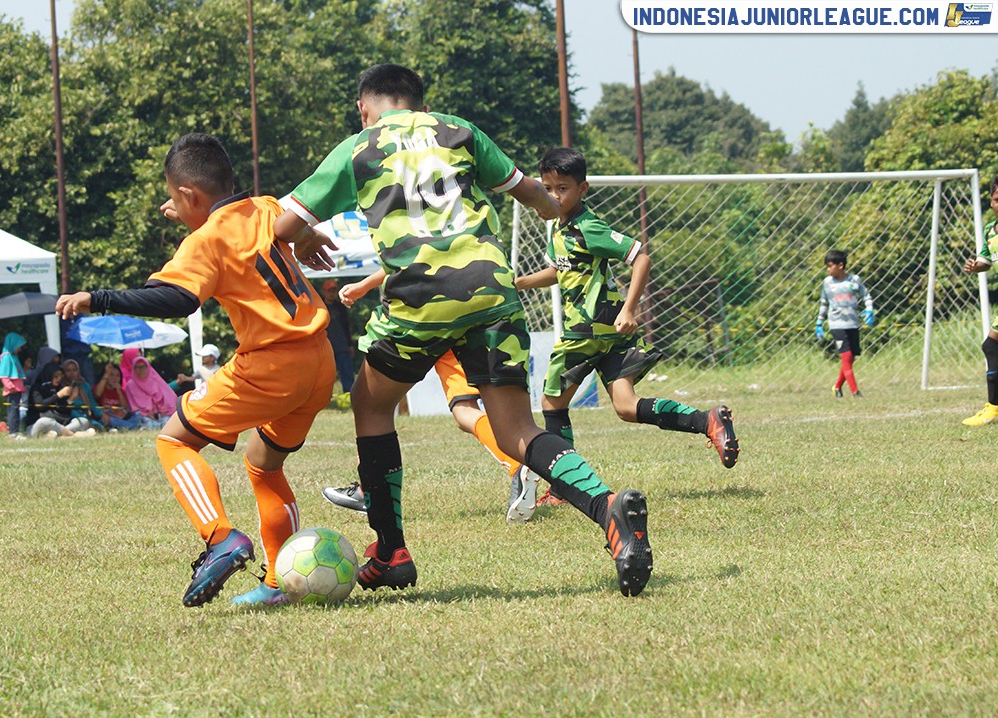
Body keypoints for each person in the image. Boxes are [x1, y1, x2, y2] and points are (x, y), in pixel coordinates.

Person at [272, 63, 653, 597]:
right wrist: (548, 206)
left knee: (372, 405)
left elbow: (280, 227)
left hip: (418, 297)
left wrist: (307, 236)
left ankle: (391, 551)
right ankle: (606, 507)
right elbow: (539, 200)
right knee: (517, 429)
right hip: (493, 292)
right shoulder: (461, 130)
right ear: (419, 102)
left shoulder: (357, 147)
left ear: (366, 106)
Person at [57, 132, 335, 608]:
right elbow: (261, 233)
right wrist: (193, 216)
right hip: (320, 360)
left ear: (189, 195)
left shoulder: (204, 239)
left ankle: (220, 538)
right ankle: (277, 584)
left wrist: (97, 298)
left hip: (271, 364)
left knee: (174, 439)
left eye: (173, 197)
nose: (171, 205)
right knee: (263, 463)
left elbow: (176, 297)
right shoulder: (265, 207)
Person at [515, 148, 740, 508]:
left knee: (551, 403)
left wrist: (630, 308)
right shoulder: (560, 229)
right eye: (548, 188)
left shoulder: (588, 226)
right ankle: (707, 420)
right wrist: (525, 282)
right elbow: (563, 269)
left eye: (563, 188)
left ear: (583, 189)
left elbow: (641, 257)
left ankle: (561, 487)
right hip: (610, 333)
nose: (554, 196)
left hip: (588, 330)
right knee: (626, 406)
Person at [319, 269, 536, 523]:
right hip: (465, 306)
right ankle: (516, 461)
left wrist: (364, 284)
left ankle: (368, 491)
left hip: (419, 312)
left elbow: (405, 258)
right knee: (463, 408)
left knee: (370, 402)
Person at [961, 175, 998, 425]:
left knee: (991, 345)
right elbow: (988, 260)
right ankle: (994, 409)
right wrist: (976, 266)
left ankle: (994, 409)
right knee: (991, 346)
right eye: (997, 199)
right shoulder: (990, 230)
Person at [815, 248, 875, 398]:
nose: (828, 270)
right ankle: (855, 392)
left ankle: (837, 386)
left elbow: (866, 295)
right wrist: (819, 323)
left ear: (840, 265)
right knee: (846, 356)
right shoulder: (827, 283)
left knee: (851, 357)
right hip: (837, 325)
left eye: (830, 266)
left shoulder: (854, 280)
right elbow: (824, 303)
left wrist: (869, 310)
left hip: (853, 324)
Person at [26, 364, 95, 438]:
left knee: (83, 421)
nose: (58, 379)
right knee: (45, 421)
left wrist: (70, 399)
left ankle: (59, 435)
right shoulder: (37, 388)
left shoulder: (59, 387)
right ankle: (73, 435)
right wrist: (58, 395)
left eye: (60, 377)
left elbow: (64, 412)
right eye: (56, 377)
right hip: (37, 425)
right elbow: (39, 406)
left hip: (59, 424)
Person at [122, 350, 179, 424]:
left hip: (162, 414)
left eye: (142, 367)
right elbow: (135, 407)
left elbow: (167, 400)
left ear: (148, 367)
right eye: (136, 367)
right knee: (147, 422)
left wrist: (162, 413)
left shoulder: (156, 381)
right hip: (143, 416)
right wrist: (148, 415)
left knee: (167, 422)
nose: (139, 370)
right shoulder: (131, 385)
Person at [320, 279, 356, 395]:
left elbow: (347, 326)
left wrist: (350, 345)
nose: (332, 293)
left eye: (334, 290)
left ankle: (349, 396)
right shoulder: (320, 307)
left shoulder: (341, 307)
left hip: (342, 345)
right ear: (324, 291)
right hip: (326, 346)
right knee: (326, 376)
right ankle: (325, 397)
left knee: (347, 373)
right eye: (330, 290)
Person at [93, 362, 145, 431]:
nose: (114, 378)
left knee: (138, 414)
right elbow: (97, 394)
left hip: (121, 417)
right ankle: (133, 427)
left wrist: (119, 391)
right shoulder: (99, 387)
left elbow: (125, 407)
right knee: (112, 420)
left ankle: (132, 426)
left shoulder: (121, 391)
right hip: (106, 418)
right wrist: (106, 374)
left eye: (117, 376)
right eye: (111, 375)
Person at [0, 331, 27, 435]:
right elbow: (4, 375)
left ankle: (16, 430)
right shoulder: (6, 357)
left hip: (17, 390)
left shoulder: (14, 357)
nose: (20, 349)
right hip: (12, 390)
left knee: (16, 410)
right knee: (13, 411)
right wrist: (10, 386)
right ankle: (13, 431)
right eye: (19, 346)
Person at [62, 358, 104, 430]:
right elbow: (64, 407)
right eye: (68, 371)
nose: (71, 373)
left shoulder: (84, 385)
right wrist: (71, 398)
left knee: (100, 427)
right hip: (70, 418)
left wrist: (101, 413)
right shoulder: (62, 387)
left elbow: (92, 403)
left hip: (87, 416)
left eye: (74, 370)